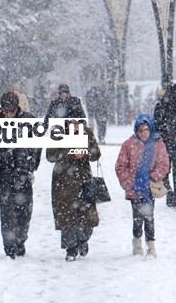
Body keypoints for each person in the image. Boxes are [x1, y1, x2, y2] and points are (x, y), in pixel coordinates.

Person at [0, 92, 42, 259]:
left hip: (23, 172)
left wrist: (32, 164)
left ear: (17, 108)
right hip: (3, 174)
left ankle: (21, 240)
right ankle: (9, 247)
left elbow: (38, 144)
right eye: (5, 110)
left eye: (11, 110)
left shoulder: (29, 121)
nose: (8, 113)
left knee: (24, 211)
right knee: (7, 212)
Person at [46, 109, 101, 261]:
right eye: (71, 121)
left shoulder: (87, 132)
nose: (74, 124)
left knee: (87, 217)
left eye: (77, 121)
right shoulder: (58, 133)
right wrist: (71, 152)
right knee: (67, 217)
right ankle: (70, 248)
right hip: (63, 182)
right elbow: (50, 155)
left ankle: (82, 240)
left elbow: (96, 153)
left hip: (83, 180)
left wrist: (86, 152)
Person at [115, 114, 169, 258]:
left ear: (151, 129)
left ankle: (151, 247)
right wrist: (128, 183)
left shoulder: (158, 143)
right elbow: (121, 166)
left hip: (149, 187)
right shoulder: (128, 144)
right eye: (141, 130)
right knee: (137, 217)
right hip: (134, 188)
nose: (144, 132)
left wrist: (153, 177)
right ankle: (137, 244)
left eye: (146, 129)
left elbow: (163, 164)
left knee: (149, 217)